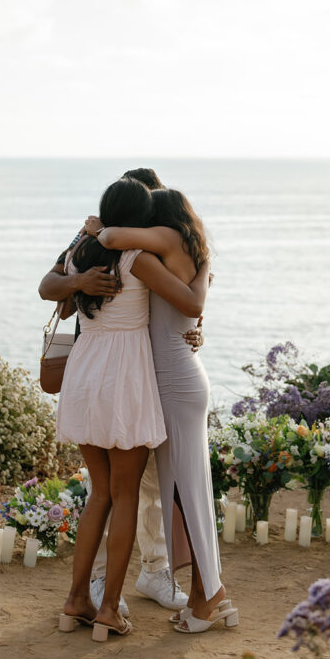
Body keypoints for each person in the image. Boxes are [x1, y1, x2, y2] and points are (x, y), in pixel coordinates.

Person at [38, 167, 200, 613]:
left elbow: (176, 318)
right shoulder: (137, 259)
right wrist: (204, 265)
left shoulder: (81, 252)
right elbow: (190, 301)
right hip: (125, 378)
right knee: (126, 494)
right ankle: (108, 605)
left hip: (85, 375)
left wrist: (193, 332)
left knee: (101, 492)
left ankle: (76, 601)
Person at [84, 187, 239, 633]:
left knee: (185, 495)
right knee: (183, 493)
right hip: (177, 380)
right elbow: (182, 311)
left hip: (175, 384)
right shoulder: (183, 249)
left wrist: (97, 229)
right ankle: (208, 595)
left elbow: (114, 238)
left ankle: (212, 598)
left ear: (164, 220)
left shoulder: (164, 242)